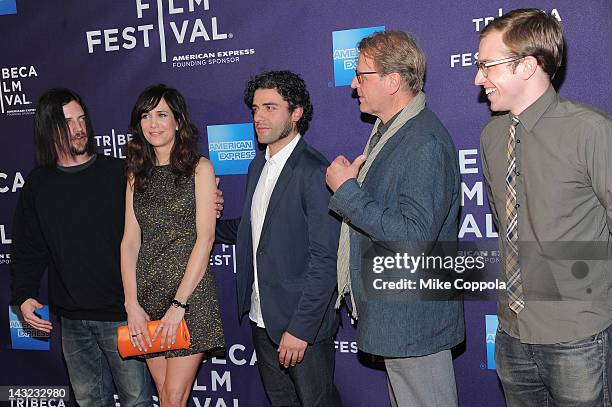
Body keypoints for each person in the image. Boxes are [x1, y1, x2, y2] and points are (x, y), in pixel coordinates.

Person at [475, 8, 612, 407]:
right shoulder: (491, 135)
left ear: (527, 66)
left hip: (577, 337)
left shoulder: (590, 131)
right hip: (510, 335)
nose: (477, 78)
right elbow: (506, 227)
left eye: (487, 66)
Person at [326, 31, 464, 406]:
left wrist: (347, 192)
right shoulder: (390, 133)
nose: (353, 84)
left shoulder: (424, 142)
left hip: (413, 318)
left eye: (361, 75)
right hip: (397, 314)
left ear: (393, 81)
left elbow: (414, 237)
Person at [9, 88, 154, 406]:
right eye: (67, 122)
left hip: (124, 315)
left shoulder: (119, 173)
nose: (78, 128)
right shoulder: (38, 184)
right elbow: (28, 248)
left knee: (137, 400)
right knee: (89, 401)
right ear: (49, 128)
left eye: (82, 119)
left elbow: (160, 221)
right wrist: (24, 295)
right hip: (72, 320)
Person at [215, 71, 342, 407]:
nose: (259, 117)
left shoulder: (313, 171)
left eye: (270, 107)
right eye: (255, 109)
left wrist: (301, 329)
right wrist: (203, 223)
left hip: (302, 326)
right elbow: (255, 228)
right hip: (263, 318)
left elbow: (326, 258)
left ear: (296, 112)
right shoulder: (258, 166)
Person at [121, 84, 225, 406]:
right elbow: (129, 242)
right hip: (149, 297)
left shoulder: (200, 168)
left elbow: (205, 239)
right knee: (166, 391)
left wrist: (179, 305)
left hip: (190, 298)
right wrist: (132, 304)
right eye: (146, 116)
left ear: (178, 121)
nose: (153, 123)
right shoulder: (136, 175)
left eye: (162, 115)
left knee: (173, 397)